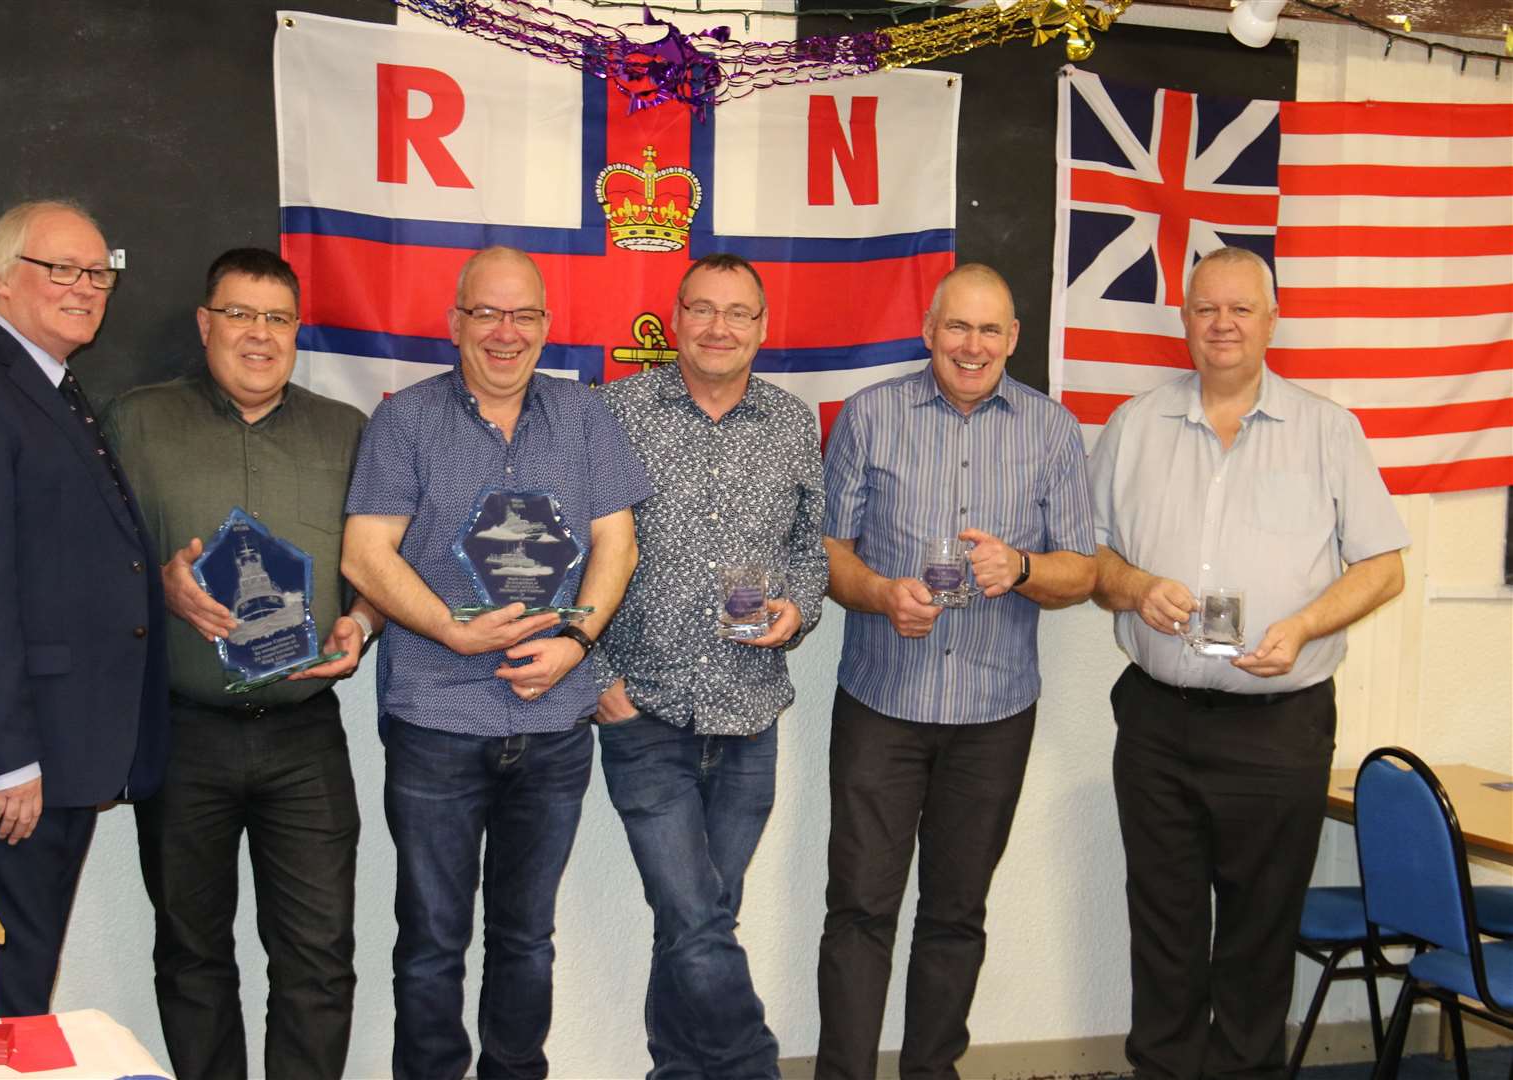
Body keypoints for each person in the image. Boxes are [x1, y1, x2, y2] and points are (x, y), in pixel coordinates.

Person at [1089, 246, 1407, 1079]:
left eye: (1240, 309)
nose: (1221, 324)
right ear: (1184, 321)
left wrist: (1303, 625)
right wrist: (1133, 585)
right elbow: (1089, 557)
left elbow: (1384, 566)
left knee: (1259, 936)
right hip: (1156, 723)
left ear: (1272, 321)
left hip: (1279, 729)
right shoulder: (1133, 426)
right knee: (1161, 927)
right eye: (1205, 309)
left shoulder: (1327, 430)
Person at [341, 245, 650, 1080]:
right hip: (437, 723)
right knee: (433, 941)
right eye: (487, 313)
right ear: (455, 323)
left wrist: (577, 642)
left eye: (523, 316)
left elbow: (616, 543)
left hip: (554, 725)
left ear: (547, 327)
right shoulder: (403, 422)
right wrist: (450, 629)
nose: (505, 333)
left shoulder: (587, 419)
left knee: (526, 939)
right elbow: (366, 555)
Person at [101, 248, 380, 1080]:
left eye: (277, 318)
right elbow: (81, 566)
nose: (258, 335)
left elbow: (382, 568)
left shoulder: (347, 434)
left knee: (320, 957)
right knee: (192, 956)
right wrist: (161, 589)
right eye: (239, 314)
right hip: (184, 735)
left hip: (306, 739)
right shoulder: (134, 423)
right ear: (204, 322)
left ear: (298, 330)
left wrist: (363, 624)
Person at [817, 263, 1096, 1079]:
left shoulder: (1052, 430)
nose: (972, 346)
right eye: (957, 327)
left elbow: (1082, 569)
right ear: (929, 330)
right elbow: (829, 554)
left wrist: (1025, 569)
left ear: (1014, 338)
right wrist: (877, 594)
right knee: (860, 909)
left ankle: (931, 1071)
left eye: (990, 330)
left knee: (955, 915)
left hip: (993, 714)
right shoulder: (870, 417)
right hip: (882, 705)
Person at [0, 199, 169, 1016]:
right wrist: (9, 759)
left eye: (98, 272)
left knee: (14, 993)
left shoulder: (52, 389)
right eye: (63, 269)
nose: (87, 287)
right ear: (1, 281)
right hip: (8, 772)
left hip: (59, 754)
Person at [594, 253, 828, 1078]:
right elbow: (569, 553)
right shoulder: (612, 412)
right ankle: (753, 1067)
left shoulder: (793, 424)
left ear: (764, 327)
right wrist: (595, 683)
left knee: (693, 920)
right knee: (697, 921)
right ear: (675, 317)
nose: (719, 327)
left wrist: (799, 609)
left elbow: (809, 551)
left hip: (750, 715)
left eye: (738, 313)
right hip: (643, 710)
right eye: (702, 309)